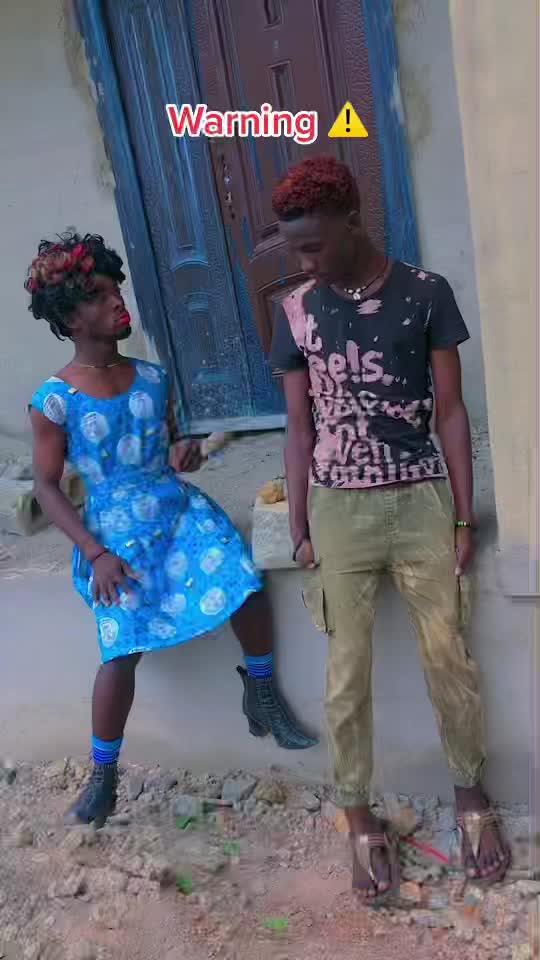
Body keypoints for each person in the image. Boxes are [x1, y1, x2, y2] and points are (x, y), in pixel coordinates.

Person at [268, 155, 510, 900]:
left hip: (418, 500)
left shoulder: (426, 294)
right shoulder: (296, 310)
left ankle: (471, 794)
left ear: (353, 222)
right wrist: (301, 524)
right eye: (295, 250)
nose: (304, 262)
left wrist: (462, 514)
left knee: (448, 657)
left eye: (313, 246)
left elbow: (450, 411)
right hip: (339, 509)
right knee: (347, 671)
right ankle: (357, 813)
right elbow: (299, 427)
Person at [26, 231, 316, 828]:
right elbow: (47, 488)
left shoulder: (153, 378)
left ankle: (261, 691)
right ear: (71, 318)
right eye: (99, 295)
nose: (116, 300)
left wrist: (187, 452)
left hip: (177, 512)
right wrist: (94, 552)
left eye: (116, 288)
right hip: (114, 538)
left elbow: (175, 445)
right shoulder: (54, 401)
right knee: (122, 648)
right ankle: (103, 776)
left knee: (243, 581)